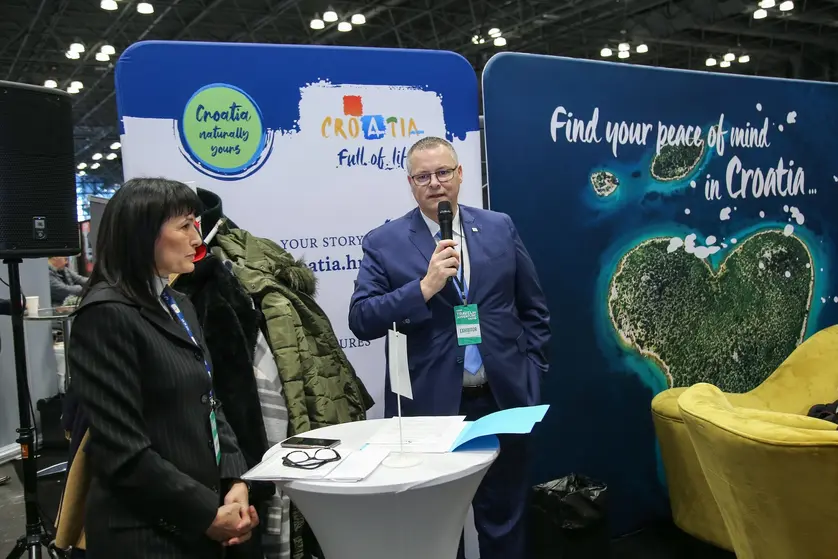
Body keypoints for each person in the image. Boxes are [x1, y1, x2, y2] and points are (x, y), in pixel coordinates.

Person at [348, 137, 551, 558]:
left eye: (443, 172)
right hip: (429, 408)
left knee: (505, 520)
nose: (435, 183)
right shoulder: (384, 241)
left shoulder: (499, 226)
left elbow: (533, 307)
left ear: (460, 174)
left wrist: (532, 371)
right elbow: (362, 319)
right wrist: (424, 288)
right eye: (423, 176)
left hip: (501, 399)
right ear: (410, 184)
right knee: (436, 527)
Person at [68, 178, 259, 558]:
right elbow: (122, 450)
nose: (197, 239)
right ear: (143, 234)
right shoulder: (105, 315)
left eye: (195, 225)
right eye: (185, 226)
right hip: (145, 536)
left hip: (199, 523)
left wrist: (235, 479)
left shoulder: (178, 304)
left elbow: (208, 400)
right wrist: (205, 515)